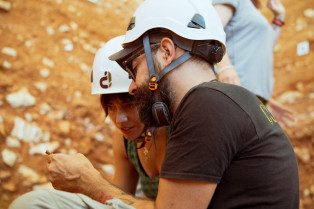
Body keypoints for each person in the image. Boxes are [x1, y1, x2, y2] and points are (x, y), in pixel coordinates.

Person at [8, 36, 167, 209]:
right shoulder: (125, 139)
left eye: (128, 105)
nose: (120, 120)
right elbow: (117, 202)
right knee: (29, 204)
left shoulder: (170, 135)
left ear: (145, 97)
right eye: (111, 107)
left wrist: (90, 183)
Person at [213, 0, 295, 129]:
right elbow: (211, 29)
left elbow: (265, 47)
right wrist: (224, 67)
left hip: (253, 97)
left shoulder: (251, 8)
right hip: (236, 94)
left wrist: (279, 17)